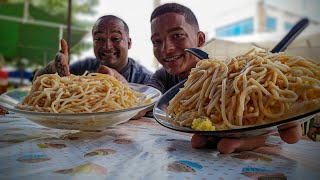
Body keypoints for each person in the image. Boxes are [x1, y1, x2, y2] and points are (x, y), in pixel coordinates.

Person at [145, 3, 302, 154]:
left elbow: (261, 108)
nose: (166, 49)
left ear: (200, 39)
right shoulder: (162, 76)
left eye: (177, 35)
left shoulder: (229, 74)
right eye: (156, 41)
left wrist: (261, 127)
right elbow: (146, 99)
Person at [34, 15, 152, 84]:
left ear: (129, 43)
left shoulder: (145, 79)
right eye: (99, 39)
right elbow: (36, 82)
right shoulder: (83, 68)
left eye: (115, 38)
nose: (107, 46)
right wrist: (53, 68)